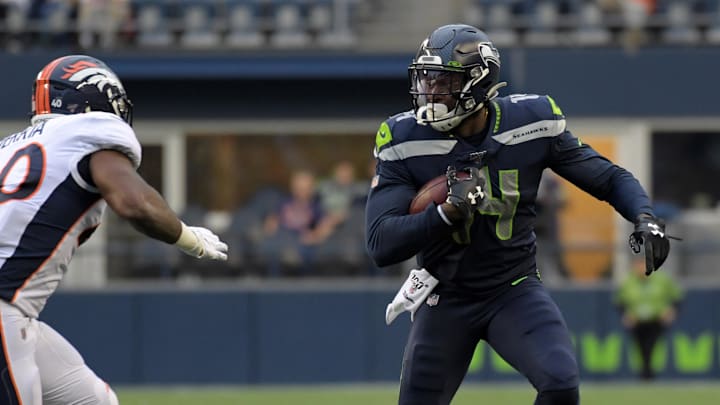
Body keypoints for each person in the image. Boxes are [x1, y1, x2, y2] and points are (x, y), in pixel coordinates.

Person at [364, 24, 672, 405]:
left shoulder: (531, 121)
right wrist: (446, 214)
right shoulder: (403, 137)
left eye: (442, 82)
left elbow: (607, 178)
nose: (430, 92)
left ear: (477, 83)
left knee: (560, 383)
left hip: (512, 288)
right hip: (443, 294)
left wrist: (644, 216)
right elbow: (381, 243)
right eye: (426, 80)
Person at [0, 54, 228, 405]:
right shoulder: (90, 133)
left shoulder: (10, 146)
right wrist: (187, 237)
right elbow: (133, 202)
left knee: (93, 399)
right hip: (5, 307)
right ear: (93, 95)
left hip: (16, 311)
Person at [615, 256, 683, 380]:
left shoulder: (662, 279)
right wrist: (625, 314)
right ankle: (643, 374)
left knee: (653, 347)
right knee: (639, 349)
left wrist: (671, 311)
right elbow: (619, 301)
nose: (641, 268)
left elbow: (677, 297)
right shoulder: (628, 281)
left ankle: (651, 374)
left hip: (656, 320)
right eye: (638, 265)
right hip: (637, 321)